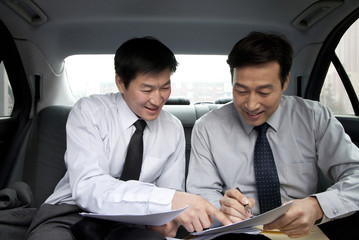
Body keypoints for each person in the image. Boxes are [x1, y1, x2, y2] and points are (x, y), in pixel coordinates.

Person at [26, 36, 231, 240]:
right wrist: (167, 200)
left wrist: (168, 218)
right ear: (121, 83)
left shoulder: (173, 128)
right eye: (147, 89)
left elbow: (171, 192)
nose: (157, 99)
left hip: (136, 220)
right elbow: (89, 187)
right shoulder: (90, 111)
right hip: (71, 211)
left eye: (165, 87)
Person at [186, 31, 359, 239]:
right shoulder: (207, 127)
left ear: (285, 82)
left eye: (264, 92)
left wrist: (317, 206)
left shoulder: (314, 117)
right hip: (241, 231)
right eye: (240, 90)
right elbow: (201, 194)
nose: (251, 104)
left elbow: (356, 173)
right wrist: (223, 209)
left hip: (307, 226)